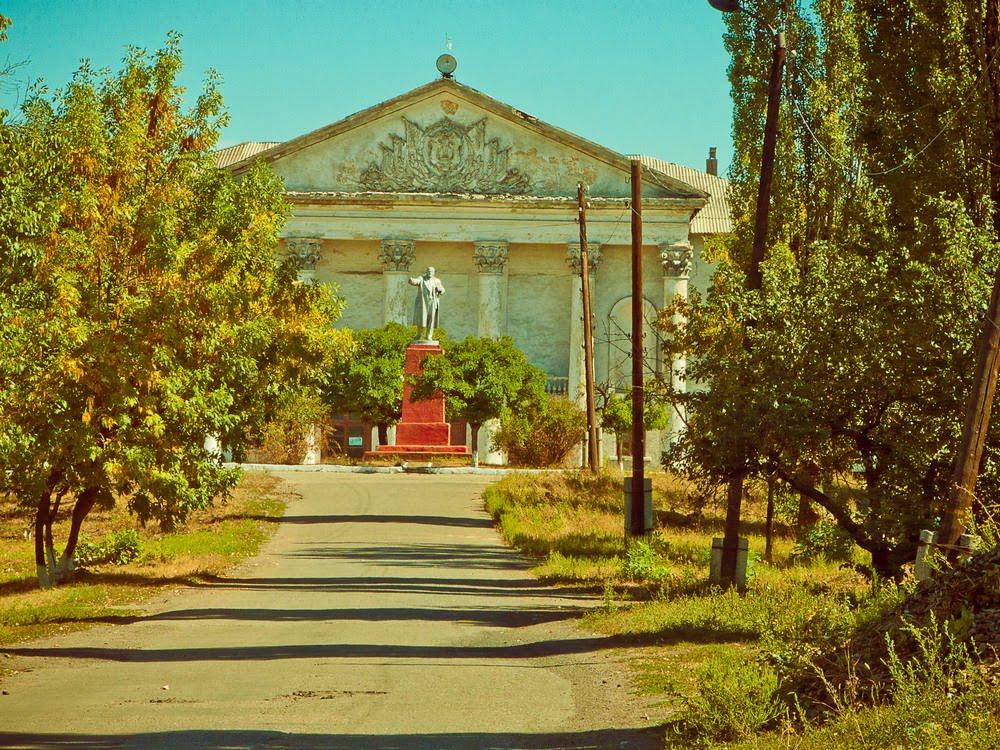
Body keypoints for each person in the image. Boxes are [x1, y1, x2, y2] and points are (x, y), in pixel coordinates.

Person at [409, 266, 444, 341]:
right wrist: (412, 280)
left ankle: (429, 336)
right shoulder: (422, 278)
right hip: (423, 302)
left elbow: (442, 289)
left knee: (431, 319)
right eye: (428, 271)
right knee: (421, 319)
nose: (429, 272)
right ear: (426, 272)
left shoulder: (437, 281)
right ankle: (419, 335)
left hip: (433, 302)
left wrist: (440, 290)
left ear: (434, 273)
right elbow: (416, 281)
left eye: (431, 271)